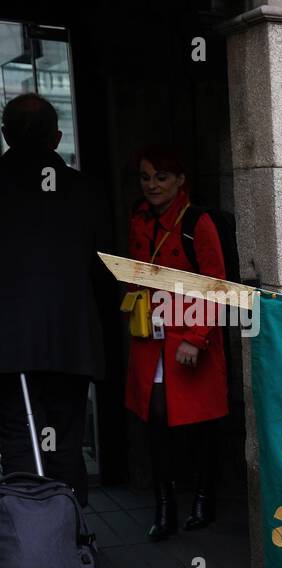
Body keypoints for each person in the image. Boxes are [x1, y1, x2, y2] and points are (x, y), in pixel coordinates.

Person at [0, 94, 106, 506]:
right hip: (72, 342)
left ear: (6, 134)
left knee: (20, 444)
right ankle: (72, 541)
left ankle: (34, 548)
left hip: (10, 351)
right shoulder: (85, 190)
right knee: (65, 445)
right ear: (57, 137)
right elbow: (104, 270)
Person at [124, 146, 229, 539]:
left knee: (199, 423)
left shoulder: (197, 222)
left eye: (161, 177)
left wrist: (197, 338)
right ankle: (164, 506)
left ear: (180, 180)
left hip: (189, 336)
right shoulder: (138, 217)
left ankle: (204, 498)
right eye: (146, 177)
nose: (152, 185)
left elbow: (216, 285)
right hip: (150, 338)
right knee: (156, 420)